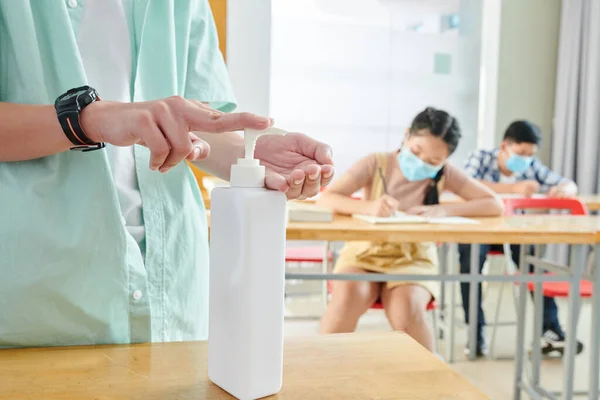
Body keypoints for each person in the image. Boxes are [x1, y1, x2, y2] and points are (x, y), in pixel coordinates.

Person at [0, 0, 334, 348]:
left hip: (172, 286)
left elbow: (193, 127)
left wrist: (249, 152)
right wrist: (91, 120)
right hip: (36, 297)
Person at [316, 107, 503, 351]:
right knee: (346, 297)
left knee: (407, 308)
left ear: (445, 160)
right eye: (416, 151)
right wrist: (369, 206)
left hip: (414, 258)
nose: (422, 163)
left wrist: (444, 210)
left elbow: (494, 205)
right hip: (364, 253)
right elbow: (326, 199)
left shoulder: (446, 174)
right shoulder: (376, 162)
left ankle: (426, 384)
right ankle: (323, 371)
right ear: (406, 136)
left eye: (433, 161)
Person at [459, 120, 582, 357]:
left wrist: (566, 189)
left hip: (514, 230)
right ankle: (475, 333)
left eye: (530, 154)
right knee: (470, 264)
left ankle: (551, 330)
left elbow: (566, 182)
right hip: (479, 228)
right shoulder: (481, 158)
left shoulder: (532, 166)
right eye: (521, 153)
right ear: (505, 146)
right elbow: (465, 185)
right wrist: (512, 189)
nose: (525, 159)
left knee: (535, 261)